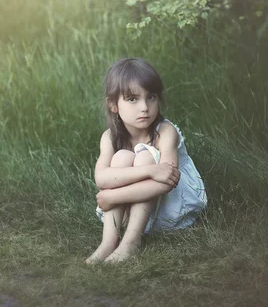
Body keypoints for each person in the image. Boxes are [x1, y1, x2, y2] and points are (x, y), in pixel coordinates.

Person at [85, 58, 207, 264]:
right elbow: (102, 179)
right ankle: (108, 241)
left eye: (150, 97)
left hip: (171, 206)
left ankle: (131, 242)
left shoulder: (165, 131)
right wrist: (150, 171)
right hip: (133, 204)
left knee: (143, 155)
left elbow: (168, 181)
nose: (144, 107)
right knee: (123, 156)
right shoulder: (110, 136)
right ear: (113, 105)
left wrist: (112, 198)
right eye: (132, 99)